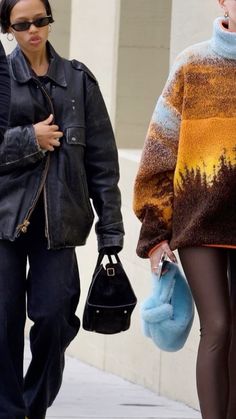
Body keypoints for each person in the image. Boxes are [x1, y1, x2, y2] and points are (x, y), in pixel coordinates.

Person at [0, 0, 124, 418]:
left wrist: (111, 233)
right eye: (22, 24)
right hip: (5, 222)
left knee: (54, 321)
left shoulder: (78, 80)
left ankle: (32, 408)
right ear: (8, 27)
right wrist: (27, 139)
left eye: (41, 20)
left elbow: (103, 164)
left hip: (59, 225)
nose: (33, 30)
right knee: (2, 328)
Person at [133, 1, 236, 419]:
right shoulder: (192, 64)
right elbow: (159, 151)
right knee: (218, 328)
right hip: (199, 222)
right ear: (223, 2)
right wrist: (155, 234)